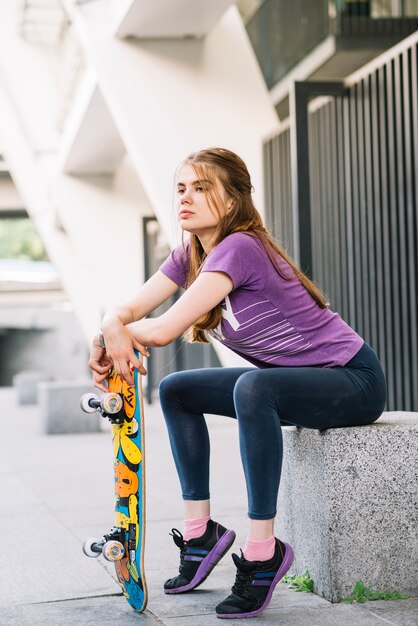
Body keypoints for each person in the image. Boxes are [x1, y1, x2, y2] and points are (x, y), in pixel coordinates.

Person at [88, 147, 387, 619]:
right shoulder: (189, 255)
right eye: (182, 188)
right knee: (178, 389)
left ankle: (263, 552)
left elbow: (162, 330)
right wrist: (109, 326)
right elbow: (127, 312)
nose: (186, 197)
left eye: (201, 188)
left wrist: (112, 338)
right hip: (290, 382)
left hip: (351, 380)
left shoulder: (241, 246)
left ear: (231, 201)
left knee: (255, 387)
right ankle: (199, 533)